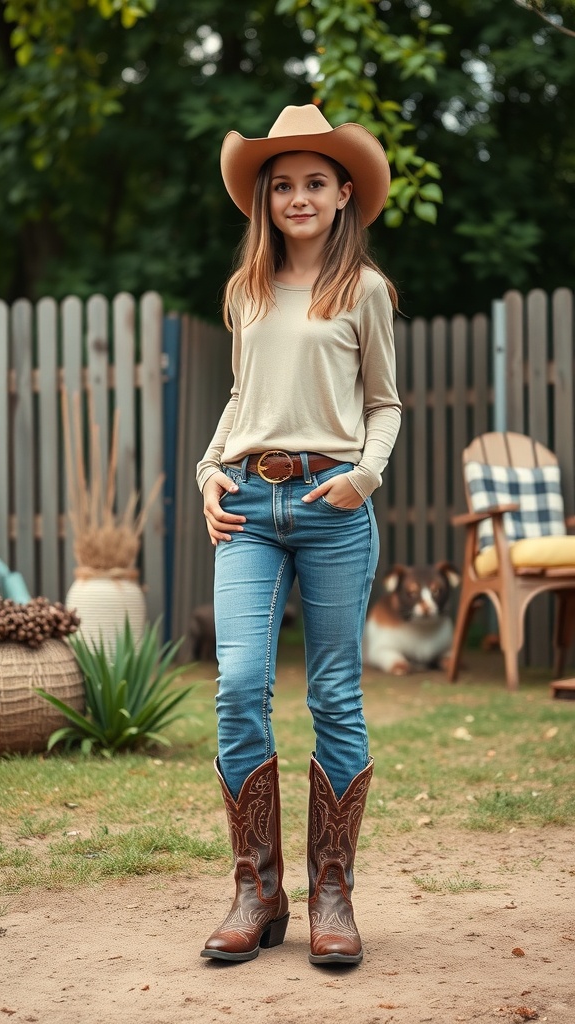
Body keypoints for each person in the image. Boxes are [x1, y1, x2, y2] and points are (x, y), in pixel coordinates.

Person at [196, 104, 402, 966]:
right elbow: (246, 400)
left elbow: (385, 404)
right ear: (265, 200)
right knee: (240, 683)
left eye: (315, 182)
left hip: (332, 508)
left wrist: (362, 477)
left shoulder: (366, 291)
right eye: (283, 185)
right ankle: (257, 889)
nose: (298, 196)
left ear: (344, 192)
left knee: (334, 699)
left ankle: (332, 894)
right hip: (248, 504)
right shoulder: (245, 291)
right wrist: (212, 469)